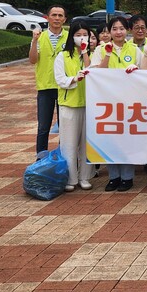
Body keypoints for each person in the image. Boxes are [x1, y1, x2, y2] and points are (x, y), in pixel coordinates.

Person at [93, 15, 147, 191]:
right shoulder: (100, 50)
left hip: (129, 101)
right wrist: (108, 55)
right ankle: (113, 176)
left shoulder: (134, 50)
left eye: (122, 28)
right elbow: (95, 74)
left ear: (127, 31)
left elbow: (145, 74)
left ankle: (127, 177)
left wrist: (136, 70)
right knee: (110, 139)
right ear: (109, 31)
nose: (118, 32)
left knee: (127, 140)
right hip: (107, 102)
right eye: (114, 29)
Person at [53, 19, 94, 192]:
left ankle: (85, 177)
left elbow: (94, 71)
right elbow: (60, 79)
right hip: (69, 104)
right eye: (78, 35)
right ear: (72, 37)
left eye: (85, 34)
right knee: (69, 144)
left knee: (87, 144)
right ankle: (70, 178)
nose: (82, 38)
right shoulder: (63, 56)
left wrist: (85, 53)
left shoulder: (92, 54)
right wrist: (74, 79)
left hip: (90, 104)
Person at [28, 5, 69, 158]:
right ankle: (40, 158)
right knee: (43, 126)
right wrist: (34, 41)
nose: (57, 18)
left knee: (64, 126)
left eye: (60, 15)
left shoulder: (69, 37)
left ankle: (63, 156)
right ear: (48, 17)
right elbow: (32, 60)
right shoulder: (40, 37)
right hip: (45, 87)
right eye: (54, 15)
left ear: (65, 19)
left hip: (64, 87)